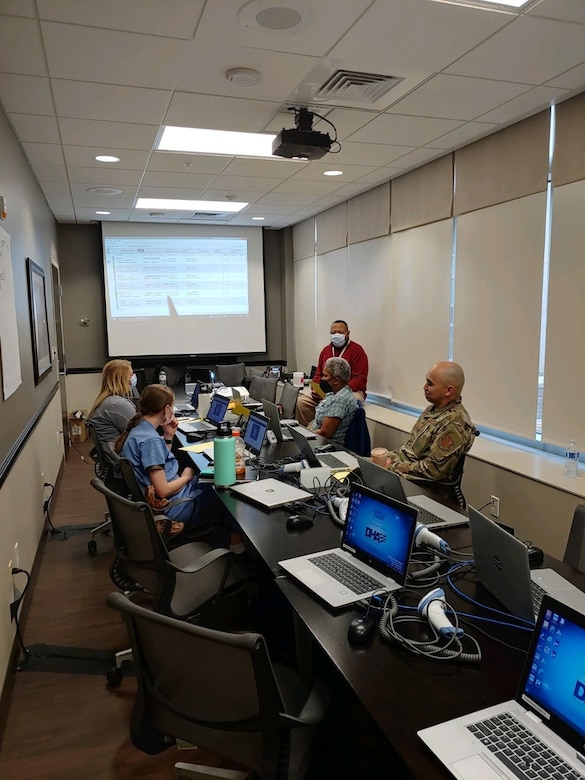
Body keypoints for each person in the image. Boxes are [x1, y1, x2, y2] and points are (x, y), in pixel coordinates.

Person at [115, 384, 242, 547]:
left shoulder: (140, 430)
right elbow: (163, 490)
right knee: (227, 493)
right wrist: (186, 477)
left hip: (173, 495)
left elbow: (159, 462)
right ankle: (235, 548)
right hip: (174, 505)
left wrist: (168, 436)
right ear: (167, 409)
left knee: (211, 476)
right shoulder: (150, 440)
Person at [383, 361, 477, 481]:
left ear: (448, 391)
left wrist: (392, 467)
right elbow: (411, 452)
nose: (424, 387)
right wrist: (389, 458)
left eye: (430, 384)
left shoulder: (454, 424)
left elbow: (433, 471)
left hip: (424, 487)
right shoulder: (433, 409)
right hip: (405, 470)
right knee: (360, 466)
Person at [295, 320, 368, 427]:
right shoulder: (326, 350)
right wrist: (315, 389)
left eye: (340, 332)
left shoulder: (357, 351)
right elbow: (318, 374)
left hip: (350, 391)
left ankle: (328, 432)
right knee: (301, 403)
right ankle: (308, 430)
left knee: (344, 401)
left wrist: (339, 393)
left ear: (347, 333)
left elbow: (360, 379)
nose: (336, 335)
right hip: (326, 391)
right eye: (333, 333)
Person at [309, 357, 357, 444]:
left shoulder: (340, 399)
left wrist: (305, 433)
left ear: (336, 380)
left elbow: (324, 433)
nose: (322, 379)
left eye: (325, 376)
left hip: (325, 445)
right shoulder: (333, 393)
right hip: (315, 437)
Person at [88, 359, 136, 443]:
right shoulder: (117, 405)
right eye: (131, 375)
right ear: (122, 379)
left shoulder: (107, 401)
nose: (133, 378)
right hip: (123, 453)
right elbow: (140, 434)